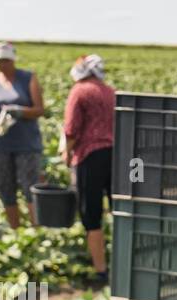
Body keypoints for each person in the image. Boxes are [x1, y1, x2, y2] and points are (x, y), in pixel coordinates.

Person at [0, 41, 45, 227]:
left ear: (13, 59)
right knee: (5, 187)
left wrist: (20, 111)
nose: (3, 64)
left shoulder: (28, 78)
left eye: (6, 60)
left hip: (25, 143)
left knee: (29, 186)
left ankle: (35, 229)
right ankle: (15, 230)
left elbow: (39, 109)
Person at [62, 54, 115, 284]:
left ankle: (101, 271)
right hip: (115, 155)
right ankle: (121, 263)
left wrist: (66, 153)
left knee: (91, 215)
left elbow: (71, 130)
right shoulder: (110, 91)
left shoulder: (79, 91)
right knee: (117, 210)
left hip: (89, 157)